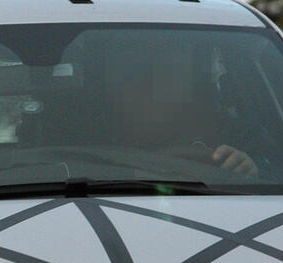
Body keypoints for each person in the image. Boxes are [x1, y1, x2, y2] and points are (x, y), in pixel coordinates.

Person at [105, 52, 260, 178]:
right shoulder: (89, 139)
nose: (153, 90)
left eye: (167, 78)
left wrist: (247, 170)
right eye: (139, 79)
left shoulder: (229, 134)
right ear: (114, 91)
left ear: (189, 90)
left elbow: (276, 174)